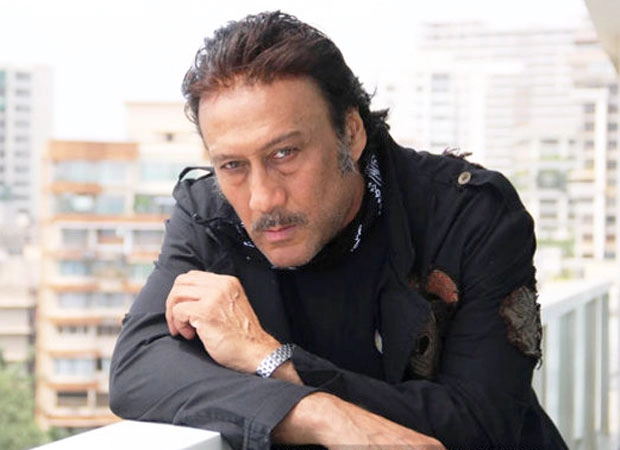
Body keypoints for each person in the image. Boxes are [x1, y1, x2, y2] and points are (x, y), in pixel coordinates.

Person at [109, 10, 568, 450]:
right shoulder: (211, 214)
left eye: (285, 154)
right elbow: (139, 368)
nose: (263, 198)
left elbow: (481, 425)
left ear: (350, 133)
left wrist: (271, 361)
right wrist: (318, 413)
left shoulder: (469, 213)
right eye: (232, 165)